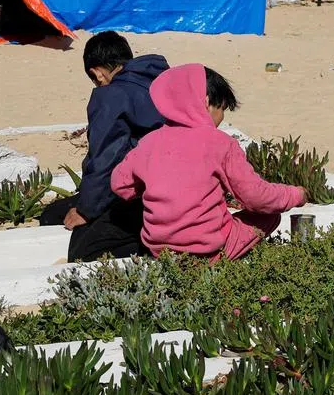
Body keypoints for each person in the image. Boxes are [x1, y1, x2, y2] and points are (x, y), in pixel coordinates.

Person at [111, 64, 306, 261]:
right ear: (205, 103)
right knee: (269, 214)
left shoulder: (148, 142)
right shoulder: (220, 143)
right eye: (221, 108)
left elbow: (120, 186)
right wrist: (296, 194)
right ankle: (219, 263)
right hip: (208, 252)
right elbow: (256, 197)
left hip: (159, 250)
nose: (221, 117)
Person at [41, 31, 168, 261]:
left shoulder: (111, 95)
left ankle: (150, 249)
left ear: (97, 72)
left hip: (142, 194)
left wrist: (86, 210)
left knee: (83, 251)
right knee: (53, 214)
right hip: (174, 186)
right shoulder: (161, 81)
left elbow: (106, 157)